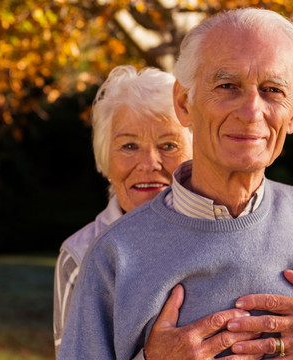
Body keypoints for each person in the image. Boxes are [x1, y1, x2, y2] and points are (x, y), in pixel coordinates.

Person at [59, 8, 293, 360]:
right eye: (227, 86)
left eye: (272, 90)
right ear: (184, 103)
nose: (252, 111)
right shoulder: (114, 254)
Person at [53, 65, 193, 351]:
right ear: (105, 159)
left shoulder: (227, 229)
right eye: (129, 146)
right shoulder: (80, 256)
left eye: (168, 145)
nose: (148, 163)